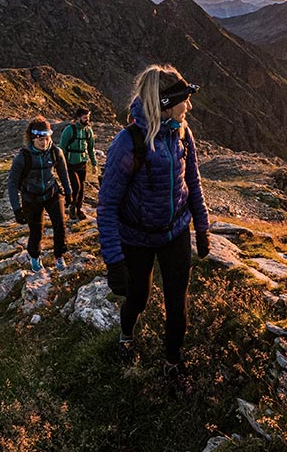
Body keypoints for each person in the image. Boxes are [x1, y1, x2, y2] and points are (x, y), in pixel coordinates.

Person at [97, 64, 210, 390]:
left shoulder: (182, 133)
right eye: (183, 100)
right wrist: (114, 261)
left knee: (178, 303)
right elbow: (106, 206)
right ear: (164, 104)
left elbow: (193, 182)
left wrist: (201, 227)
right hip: (136, 237)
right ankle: (126, 336)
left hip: (175, 232)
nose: (188, 107)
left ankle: (172, 364)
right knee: (138, 297)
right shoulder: (129, 142)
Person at [7, 117, 74, 272]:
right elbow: (12, 184)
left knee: (60, 225)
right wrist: (17, 209)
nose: (44, 143)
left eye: (47, 139)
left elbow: (63, 173)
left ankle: (59, 256)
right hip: (31, 199)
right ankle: (35, 257)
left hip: (52, 194)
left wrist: (69, 192)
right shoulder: (22, 158)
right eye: (40, 140)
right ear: (32, 139)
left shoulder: (56, 152)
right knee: (36, 231)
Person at [58, 107, 97, 221]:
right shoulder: (69, 130)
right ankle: (72, 206)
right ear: (78, 118)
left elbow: (91, 148)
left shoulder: (88, 131)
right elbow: (62, 147)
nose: (87, 120)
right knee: (76, 186)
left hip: (82, 163)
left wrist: (94, 164)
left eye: (88, 117)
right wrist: (61, 164)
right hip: (70, 163)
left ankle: (78, 209)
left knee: (82, 187)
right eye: (85, 117)